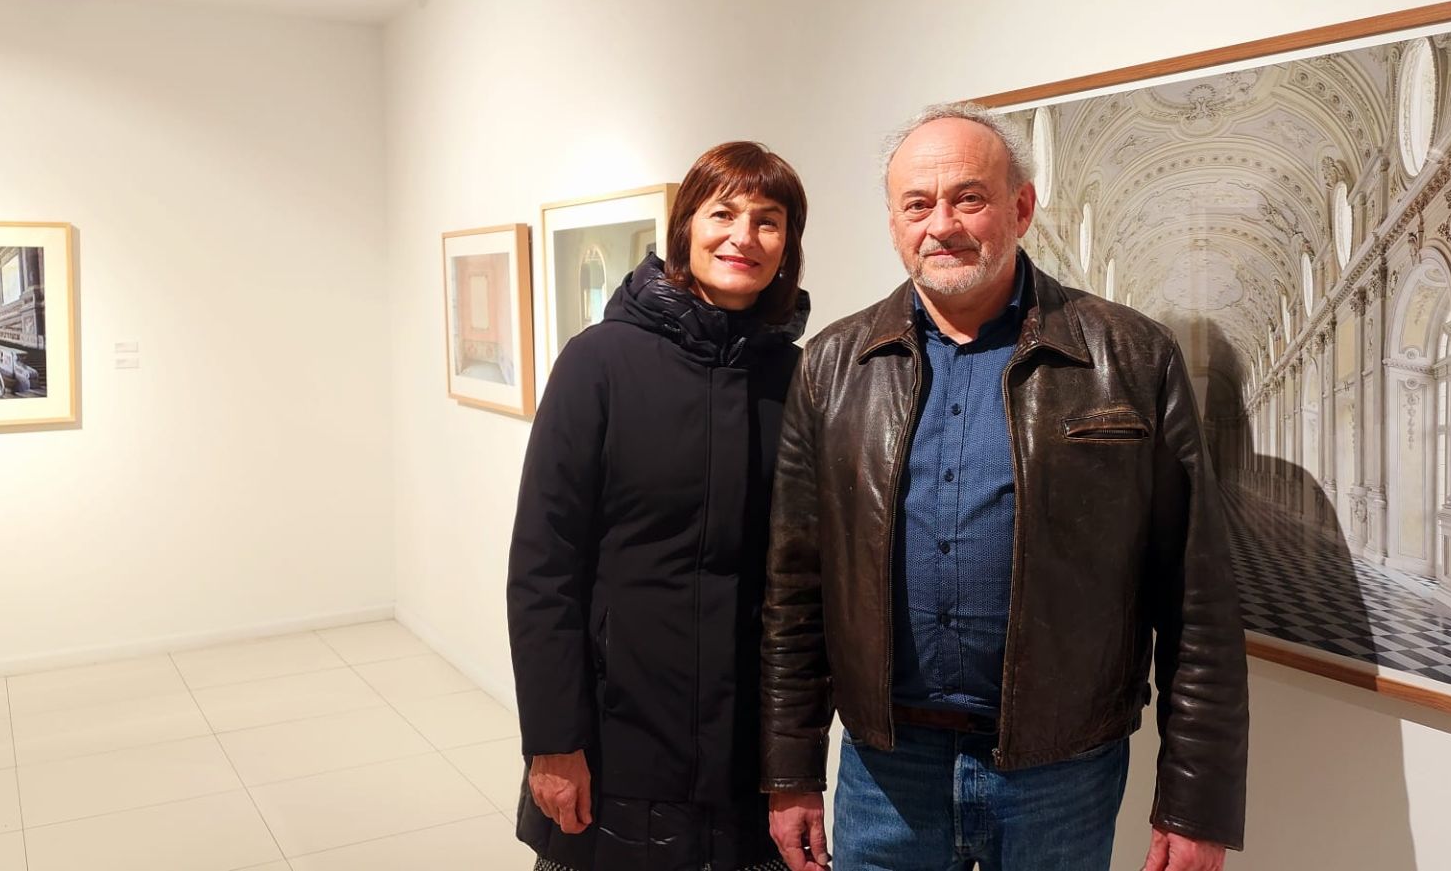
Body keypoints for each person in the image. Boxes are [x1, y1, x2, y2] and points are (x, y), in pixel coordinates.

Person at [761, 103, 1248, 871]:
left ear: (1020, 206)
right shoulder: (831, 365)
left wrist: (1196, 800)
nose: (942, 224)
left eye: (969, 197)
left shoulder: (1130, 356)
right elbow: (793, 589)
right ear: (893, 223)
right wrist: (789, 771)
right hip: (887, 769)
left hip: (1061, 770)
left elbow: (1196, 599)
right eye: (917, 204)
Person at [509, 141, 810, 871]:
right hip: (618, 739)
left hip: (748, 747)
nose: (744, 235)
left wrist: (798, 756)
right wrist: (552, 738)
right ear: (684, 229)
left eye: (769, 220)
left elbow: (806, 576)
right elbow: (544, 567)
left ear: (788, 246)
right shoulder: (599, 362)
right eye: (724, 212)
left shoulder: (800, 377)